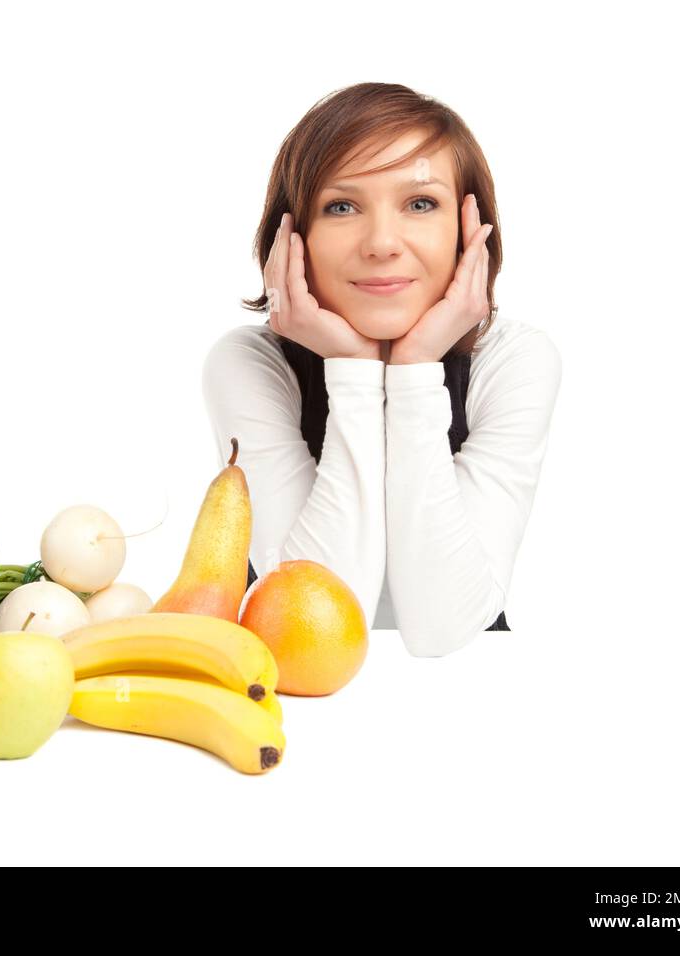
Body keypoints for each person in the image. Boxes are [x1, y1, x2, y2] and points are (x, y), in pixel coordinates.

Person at [202, 82, 562, 658]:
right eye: (341, 206)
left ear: (470, 233)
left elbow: (445, 632)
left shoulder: (515, 359)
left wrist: (415, 370)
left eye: (421, 204)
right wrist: (355, 370)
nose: (381, 243)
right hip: (291, 699)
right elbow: (311, 628)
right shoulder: (249, 364)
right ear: (292, 237)